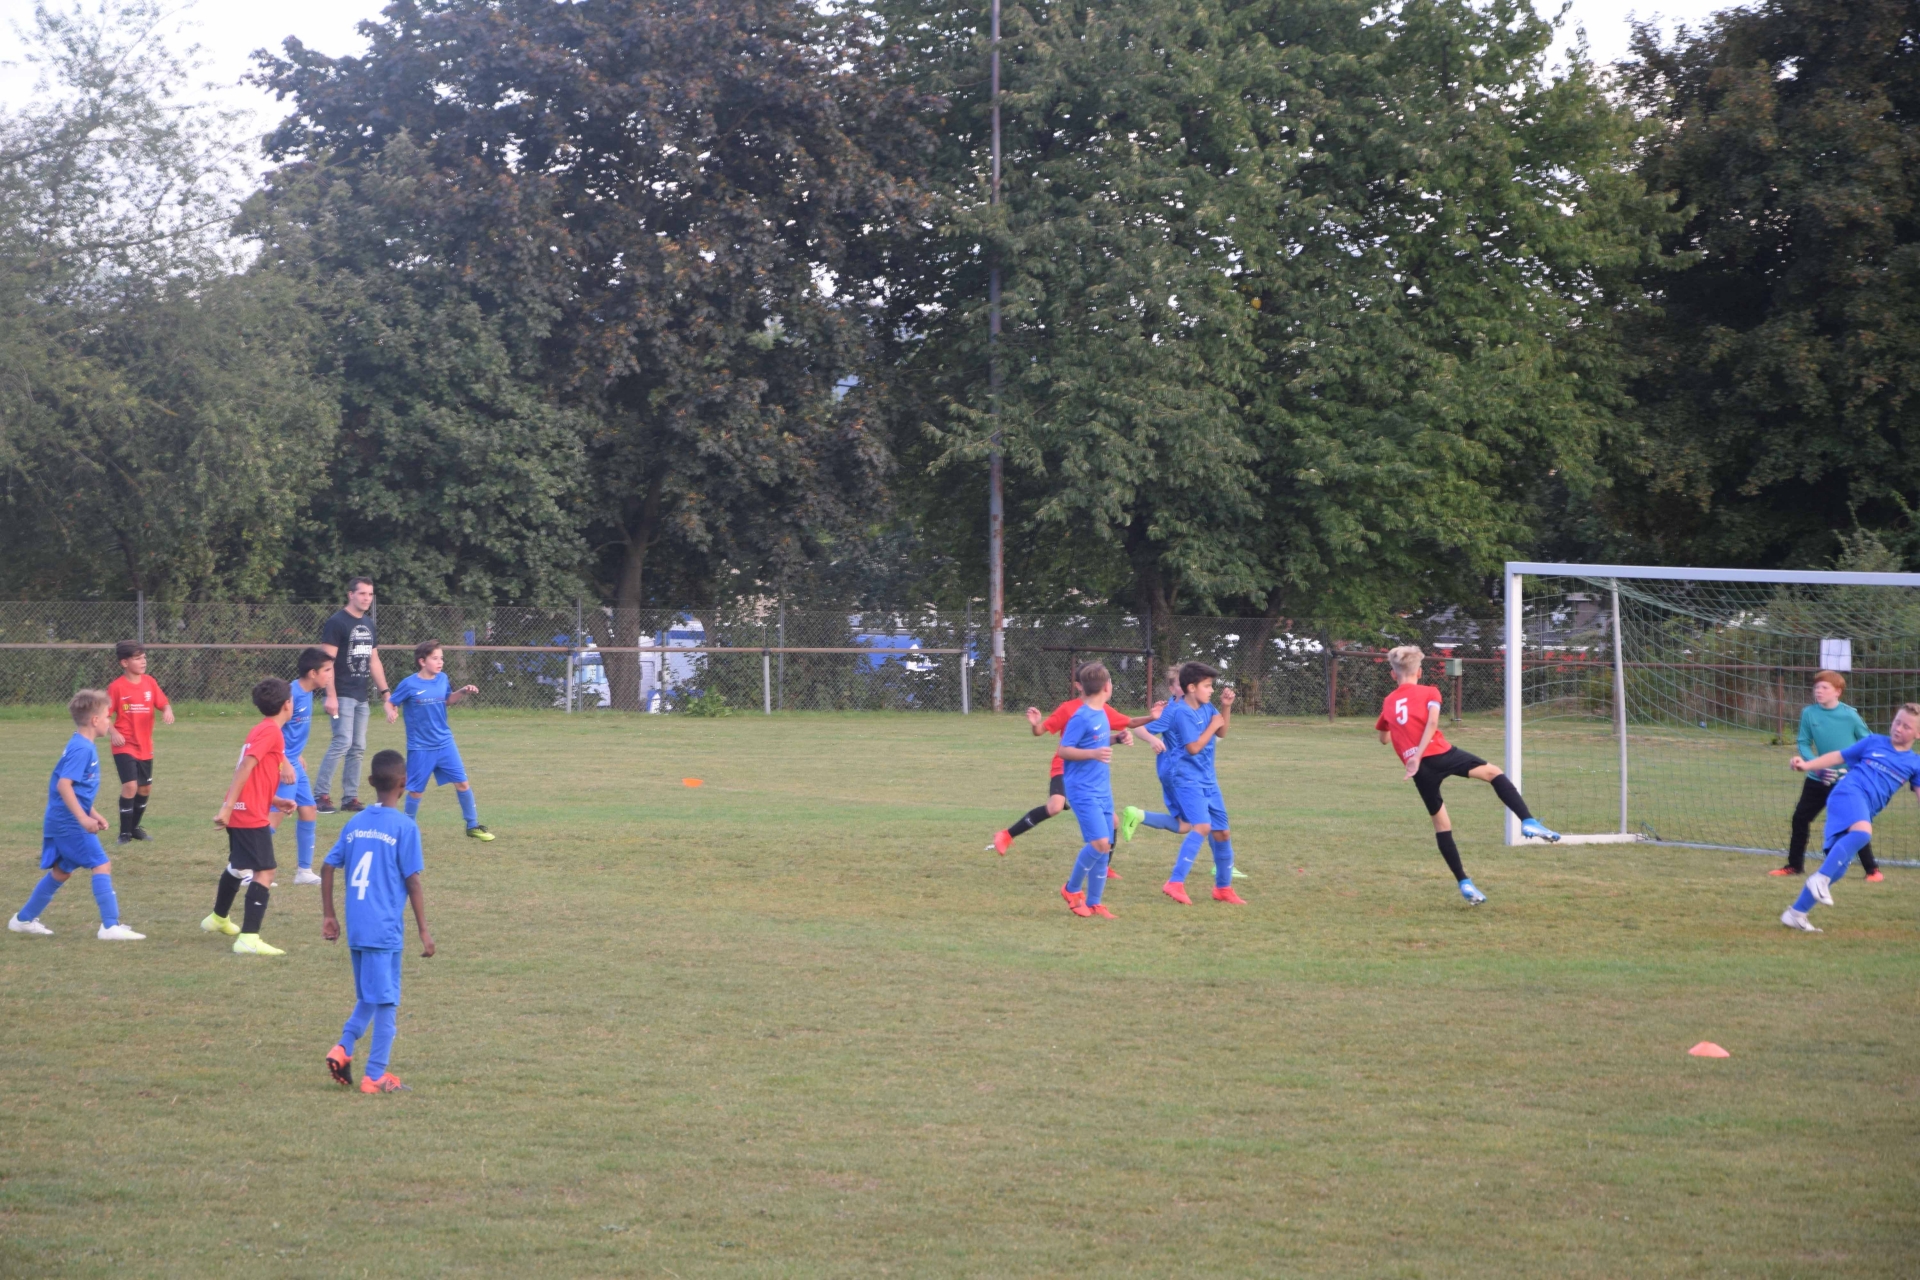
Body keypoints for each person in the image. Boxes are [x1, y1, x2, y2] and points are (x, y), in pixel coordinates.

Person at [1376, 645, 1558, 904]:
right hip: (1439, 753)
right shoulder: (1430, 691)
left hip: (1420, 771)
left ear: (1393, 675)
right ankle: (1527, 820)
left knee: (1442, 825)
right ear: (1420, 672)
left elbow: (1384, 738)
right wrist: (1419, 752)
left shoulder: (1389, 702)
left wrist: (1408, 749)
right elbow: (1432, 723)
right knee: (1493, 773)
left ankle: (1464, 882)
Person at [322, 749, 435, 1094]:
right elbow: (413, 881)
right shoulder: (405, 827)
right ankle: (374, 1075)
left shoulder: (355, 823)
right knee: (387, 1002)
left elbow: (327, 866)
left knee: (372, 994)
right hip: (384, 928)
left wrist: (329, 915)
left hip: (357, 928)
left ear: (370, 781)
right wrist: (424, 930)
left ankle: (343, 1047)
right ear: (404, 782)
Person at [8, 690, 145, 940]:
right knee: (101, 864)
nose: (109, 721)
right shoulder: (82, 749)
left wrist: (93, 813)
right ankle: (110, 926)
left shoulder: (82, 745)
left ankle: (23, 919)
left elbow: (77, 791)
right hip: (69, 822)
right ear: (94, 720)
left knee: (62, 871)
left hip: (64, 819)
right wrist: (82, 819)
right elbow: (64, 785)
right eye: (107, 716)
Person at [1780, 703, 1920, 933]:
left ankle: (1796, 914)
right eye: (1897, 722)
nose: (1898, 728)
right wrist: (1806, 765)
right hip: (1848, 792)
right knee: (1863, 833)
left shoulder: (1915, 763)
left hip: (1863, 807)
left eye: (1906, 726)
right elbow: (1837, 756)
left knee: (1839, 868)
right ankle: (1819, 879)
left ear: (1918, 733)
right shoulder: (1873, 741)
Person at [988, 670, 1145, 865]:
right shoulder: (1068, 709)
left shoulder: (1102, 708)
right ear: (1078, 685)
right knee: (1055, 806)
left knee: (1112, 821)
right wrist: (1035, 724)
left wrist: (1155, 717)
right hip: (1064, 766)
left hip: (1087, 772)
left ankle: (1104, 867)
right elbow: (1040, 731)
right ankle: (1006, 835)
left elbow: (1130, 722)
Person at [203, 679, 298, 955]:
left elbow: (257, 776)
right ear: (287, 704)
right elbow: (246, 766)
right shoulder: (272, 732)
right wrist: (227, 806)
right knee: (265, 871)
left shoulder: (261, 728)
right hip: (248, 813)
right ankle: (248, 939)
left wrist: (275, 800)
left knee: (239, 864)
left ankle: (218, 918)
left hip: (245, 808)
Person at [1143, 662, 1244, 905]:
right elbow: (1193, 747)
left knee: (1222, 832)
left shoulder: (1207, 707)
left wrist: (1226, 708)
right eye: (1207, 686)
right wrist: (1213, 725)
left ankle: (1223, 888)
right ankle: (1175, 882)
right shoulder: (1180, 712)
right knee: (1201, 826)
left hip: (1208, 778)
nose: (1211, 690)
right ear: (1191, 687)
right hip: (1186, 778)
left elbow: (1221, 732)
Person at [1775, 670, 1881, 881]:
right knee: (1800, 818)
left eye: (1824, 687)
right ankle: (1794, 866)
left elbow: (1867, 743)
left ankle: (1872, 870)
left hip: (1846, 781)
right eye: (1816, 687)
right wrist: (1813, 766)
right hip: (1818, 778)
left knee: (1853, 823)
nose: (1819, 691)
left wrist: (1856, 769)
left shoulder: (1850, 715)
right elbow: (1804, 742)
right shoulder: (1809, 713)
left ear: (1837, 692)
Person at [386, 640, 494, 840]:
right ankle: (407, 829)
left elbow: (447, 700)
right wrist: (391, 711)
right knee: (416, 792)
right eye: (435, 658)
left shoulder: (442, 678)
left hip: (445, 743)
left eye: (441, 658)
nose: (440, 662)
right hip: (421, 747)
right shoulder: (409, 684)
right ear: (422, 661)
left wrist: (462, 691)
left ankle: (472, 825)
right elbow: (391, 702)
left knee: (462, 783)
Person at [316, 577, 390, 814]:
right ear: (351, 595)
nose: (367, 598)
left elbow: (374, 660)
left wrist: (386, 693)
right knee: (342, 742)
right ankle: (320, 795)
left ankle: (350, 798)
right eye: (362, 593)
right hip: (341, 694)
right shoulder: (337, 622)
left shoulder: (368, 624)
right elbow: (326, 662)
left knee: (357, 747)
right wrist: (331, 695)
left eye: (370, 594)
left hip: (361, 695)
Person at [1057, 663, 1121, 918]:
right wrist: (1094, 754)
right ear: (1107, 687)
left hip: (1103, 788)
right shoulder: (1081, 717)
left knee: (1107, 844)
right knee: (1099, 843)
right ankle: (1071, 889)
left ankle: (1095, 902)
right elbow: (1064, 750)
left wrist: (1116, 739)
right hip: (1082, 790)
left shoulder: (1101, 712)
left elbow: (1095, 741)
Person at [275, 648, 334, 886]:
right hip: (281, 764)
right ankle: (242, 866)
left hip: (292, 761)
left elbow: (290, 731)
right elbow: (273, 729)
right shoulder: (291, 695)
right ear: (312, 673)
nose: (330, 675)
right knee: (275, 816)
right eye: (327, 670)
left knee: (309, 810)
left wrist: (297, 754)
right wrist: (284, 761)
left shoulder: (307, 692)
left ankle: (303, 871)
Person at [106, 640, 173, 844]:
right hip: (124, 745)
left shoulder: (149, 682)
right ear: (124, 663)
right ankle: (124, 834)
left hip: (145, 746)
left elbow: (163, 703)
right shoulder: (116, 687)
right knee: (130, 786)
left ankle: (134, 828)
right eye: (137, 658)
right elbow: (104, 715)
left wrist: (167, 711)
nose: (143, 661)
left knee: (145, 789)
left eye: (144, 657)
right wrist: (113, 732)